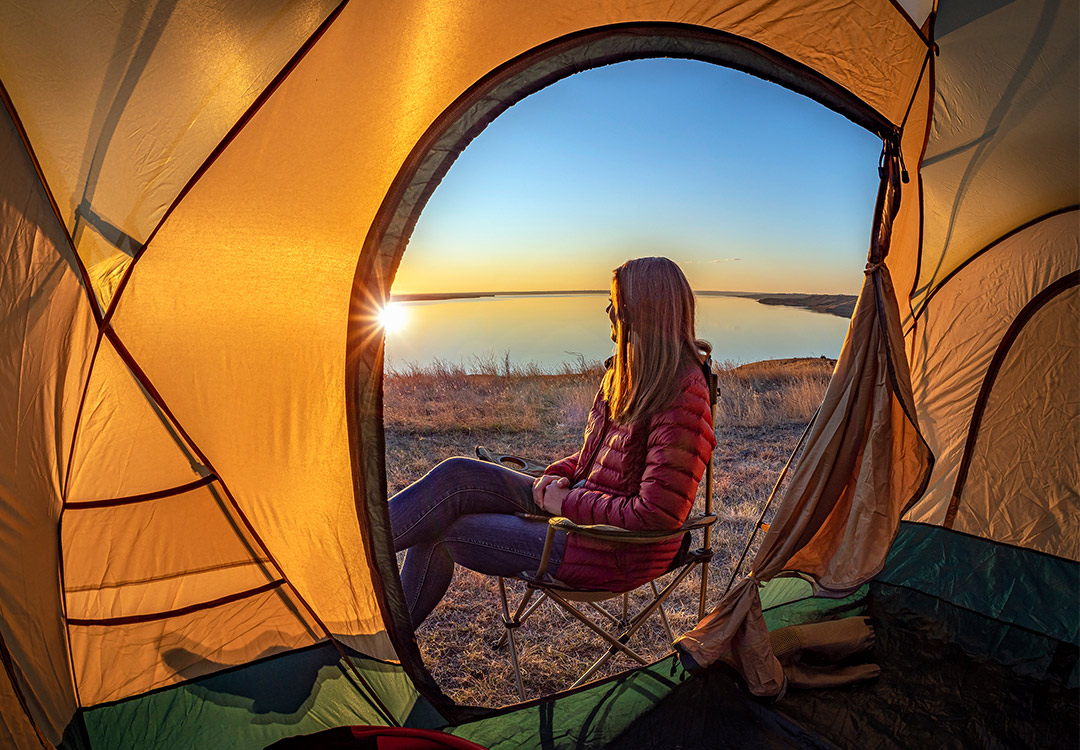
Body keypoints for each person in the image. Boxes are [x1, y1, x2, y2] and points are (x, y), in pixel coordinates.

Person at [388, 257, 717, 628]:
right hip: (579, 511)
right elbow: (597, 456)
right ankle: (352, 549)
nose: (608, 310)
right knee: (454, 476)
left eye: (616, 301)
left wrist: (568, 502)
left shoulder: (684, 393)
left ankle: (384, 642)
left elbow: (654, 515)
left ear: (643, 309)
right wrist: (558, 475)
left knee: (438, 534)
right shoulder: (628, 373)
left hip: (613, 549)